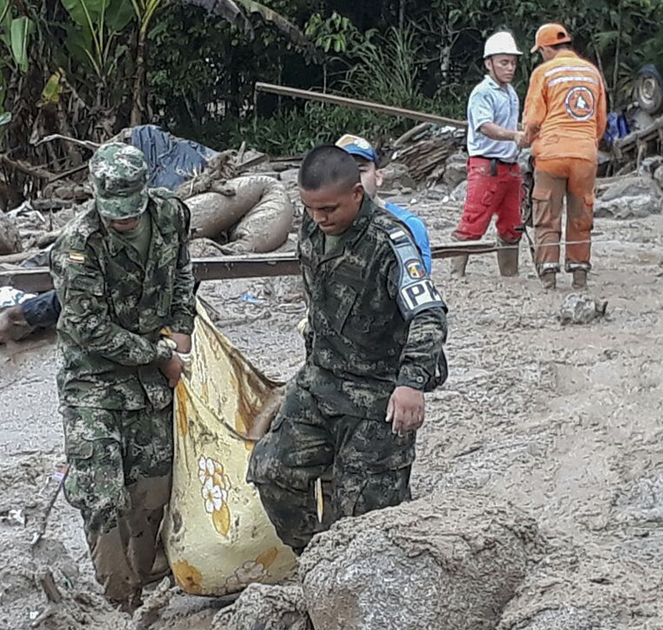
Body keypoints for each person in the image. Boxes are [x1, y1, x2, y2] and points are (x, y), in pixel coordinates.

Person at [247, 145, 448, 553]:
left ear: (358, 194)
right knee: (271, 470)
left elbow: (428, 316)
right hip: (320, 381)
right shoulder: (312, 225)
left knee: (363, 520)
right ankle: (315, 558)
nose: (320, 219)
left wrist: (411, 384)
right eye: (311, 209)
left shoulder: (390, 242)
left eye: (330, 210)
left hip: (378, 393)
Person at [49, 143, 195, 612]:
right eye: (114, 215)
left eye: (131, 213)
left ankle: (148, 579)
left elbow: (183, 271)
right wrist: (159, 354)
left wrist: (184, 325)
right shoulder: (77, 246)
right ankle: (118, 597)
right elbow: (86, 327)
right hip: (94, 380)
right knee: (101, 492)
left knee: (153, 486)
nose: (123, 222)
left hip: (151, 379)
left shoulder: (172, 216)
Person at [523, 23, 607, 289]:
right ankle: (579, 272)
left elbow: (534, 119)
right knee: (581, 213)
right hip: (584, 154)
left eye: (541, 51)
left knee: (547, 212)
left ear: (547, 48)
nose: (541, 56)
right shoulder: (592, 72)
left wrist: (526, 138)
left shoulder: (544, 72)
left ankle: (548, 274)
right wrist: (587, 143)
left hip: (550, 154)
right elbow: (600, 120)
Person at [450, 31, 525, 278]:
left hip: (510, 166)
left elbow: (510, 126)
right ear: (488, 63)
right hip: (486, 166)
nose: (510, 68)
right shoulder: (482, 93)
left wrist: (522, 134)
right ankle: (456, 273)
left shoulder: (511, 93)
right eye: (504, 62)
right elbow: (485, 127)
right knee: (473, 221)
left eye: (512, 62)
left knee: (512, 224)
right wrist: (513, 135)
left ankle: (509, 274)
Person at [335, 134, 432, 273]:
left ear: (378, 177)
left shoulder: (408, 226)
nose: (353, 179)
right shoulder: (324, 227)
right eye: (342, 173)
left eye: (361, 170)